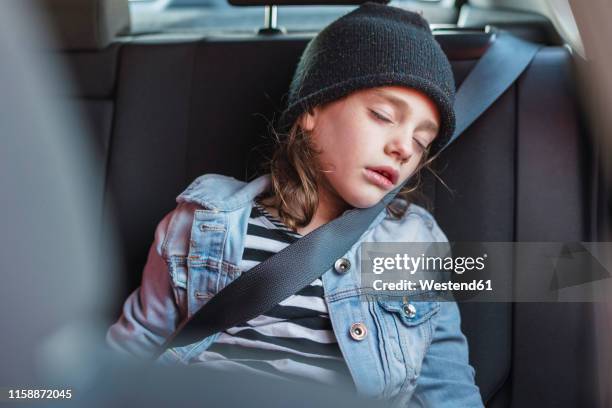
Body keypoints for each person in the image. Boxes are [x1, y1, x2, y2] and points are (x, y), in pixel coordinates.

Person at [106, 2, 484, 406]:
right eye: (382, 114)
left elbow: (447, 391)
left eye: (421, 142)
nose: (402, 148)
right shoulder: (206, 220)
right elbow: (132, 353)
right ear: (312, 110)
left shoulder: (413, 244)